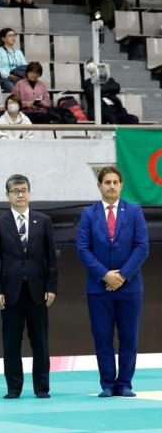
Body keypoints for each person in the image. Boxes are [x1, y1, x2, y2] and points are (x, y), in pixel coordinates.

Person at [77, 166, 148, 397]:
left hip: (130, 287)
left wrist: (123, 275)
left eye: (115, 182)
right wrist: (105, 274)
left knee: (129, 337)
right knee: (102, 337)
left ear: (121, 185)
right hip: (98, 288)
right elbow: (83, 249)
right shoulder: (88, 214)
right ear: (99, 186)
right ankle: (107, 383)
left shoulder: (134, 211)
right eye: (106, 182)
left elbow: (141, 247)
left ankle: (125, 383)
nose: (111, 186)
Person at [0, 174, 57, 399]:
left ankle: (42, 388)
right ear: (7, 195)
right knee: (11, 343)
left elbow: (51, 258)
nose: (20, 194)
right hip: (10, 293)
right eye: (15, 190)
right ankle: (14, 388)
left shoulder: (43, 220)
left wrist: (52, 287)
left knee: (41, 343)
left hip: (38, 291)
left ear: (30, 192)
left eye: (24, 190)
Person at [0, 28, 27, 93]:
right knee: (10, 85)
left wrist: (19, 75)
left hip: (18, 77)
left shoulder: (19, 52)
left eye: (14, 35)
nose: (13, 38)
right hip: (4, 78)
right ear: (3, 39)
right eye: (10, 35)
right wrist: (8, 75)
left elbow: (24, 66)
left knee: (26, 85)